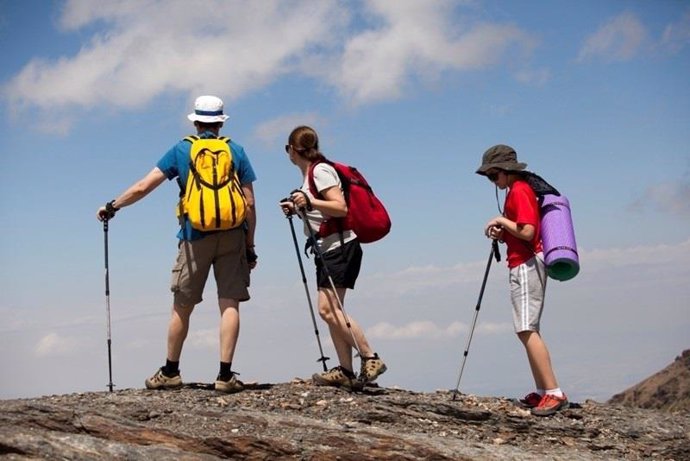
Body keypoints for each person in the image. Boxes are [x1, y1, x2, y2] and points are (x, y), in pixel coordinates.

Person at [96, 95, 257, 394]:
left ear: (196, 122)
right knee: (229, 303)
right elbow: (248, 203)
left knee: (182, 306)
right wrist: (249, 246)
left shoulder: (182, 150)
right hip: (234, 235)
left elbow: (144, 186)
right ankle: (225, 376)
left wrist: (114, 206)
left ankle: (170, 371)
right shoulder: (236, 150)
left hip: (194, 237)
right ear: (221, 123)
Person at [279, 125, 386, 389]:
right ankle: (346, 371)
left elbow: (339, 207)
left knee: (328, 310)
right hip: (329, 248)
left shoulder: (320, 171)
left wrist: (309, 202)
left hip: (339, 246)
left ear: (292, 150)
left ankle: (370, 356)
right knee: (332, 309)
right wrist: (297, 207)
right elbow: (323, 208)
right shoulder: (313, 173)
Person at [476, 144, 568, 416]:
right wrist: (503, 232)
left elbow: (528, 231)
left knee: (527, 329)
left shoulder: (520, 191)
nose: (493, 182)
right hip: (520, 262)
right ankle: (541, 391)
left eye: (493, 176)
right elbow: (520, 232)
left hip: (528, 264)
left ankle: (553, 392)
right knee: (525, 329)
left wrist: (501, 221)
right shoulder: (516, 191)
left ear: (505, 171)